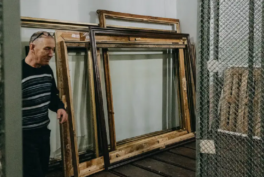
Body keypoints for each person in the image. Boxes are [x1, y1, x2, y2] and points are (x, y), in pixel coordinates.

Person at [22, 31, 68, 177]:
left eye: (52, 49)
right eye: (47, 49)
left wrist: (60, 107)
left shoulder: (47, 70)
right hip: (23, 137)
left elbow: (52, 96)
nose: (51, 54)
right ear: (32, 47)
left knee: (43, 170)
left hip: (42, 133)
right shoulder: (16, 73)